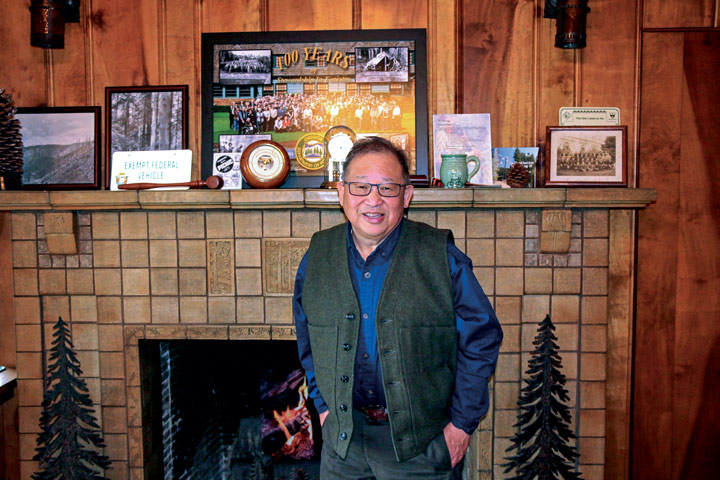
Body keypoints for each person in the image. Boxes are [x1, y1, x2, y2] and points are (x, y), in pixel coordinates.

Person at [293, 136, 503, 479]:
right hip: (343, 445)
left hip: (421, 450)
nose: (373, 200)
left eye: (388, 188)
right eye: (361, 187)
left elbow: (481, 340)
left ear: (406, 196)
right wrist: (324, 409)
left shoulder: (441, 257)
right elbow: (308, 341)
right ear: (341, 192)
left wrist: (462, 425)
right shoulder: (316, 255)